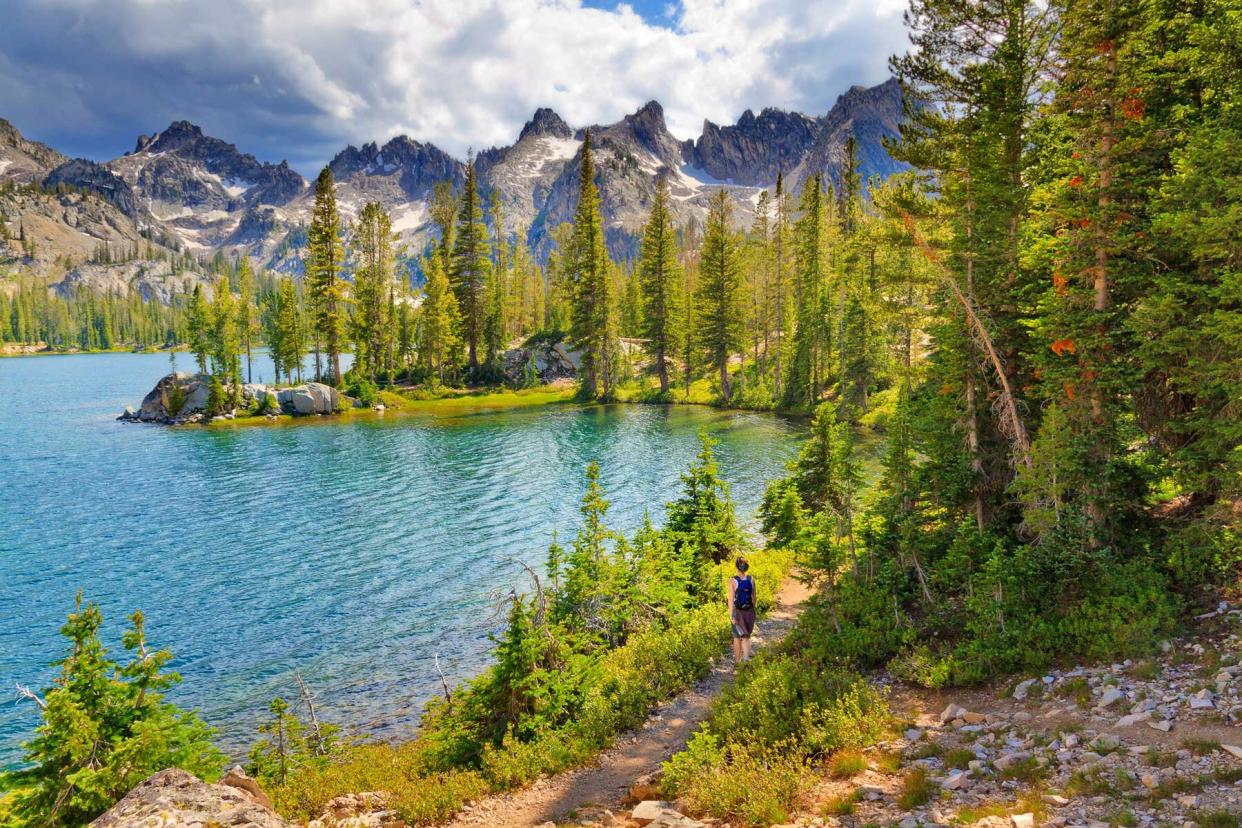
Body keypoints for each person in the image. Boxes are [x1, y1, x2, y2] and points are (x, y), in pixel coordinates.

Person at [727, 556, 756, 663]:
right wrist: (753, 611)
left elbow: (730, 599)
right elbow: (754, 597)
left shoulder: (732, 580)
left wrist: (731, 615)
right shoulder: (751, 579)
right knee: (746, 635)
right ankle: (746, 658)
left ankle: (738, 661)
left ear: (736, 566)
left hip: (737, 611)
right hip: (749, 610)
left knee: (736, 636)